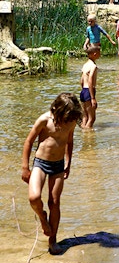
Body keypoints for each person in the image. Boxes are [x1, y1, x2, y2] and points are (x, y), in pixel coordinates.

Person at [21, 92, 82, 254]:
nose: (66, 121)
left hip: (58, 166)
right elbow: (29, 141)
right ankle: (42, 218)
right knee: (34, 197)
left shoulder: (71, 121)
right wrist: (25, 167)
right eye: (65, 117)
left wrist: (68, 164)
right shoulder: (44, 120)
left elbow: (69, 141)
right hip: (40, 163)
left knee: (54, 202)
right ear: (56, 110)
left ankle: (53, 240)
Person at [80, 44, 100, 129]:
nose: (100, 54)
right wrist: (92, 98)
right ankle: (88, 137)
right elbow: (90, 81)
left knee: (85, 117)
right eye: (99, 53)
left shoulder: (85, 65)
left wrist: (83, 91)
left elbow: (81, 80)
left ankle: (83, 132)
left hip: (83, 91)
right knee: (92, 118)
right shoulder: (93, 66)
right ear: (95, 54)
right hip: (89, 91)